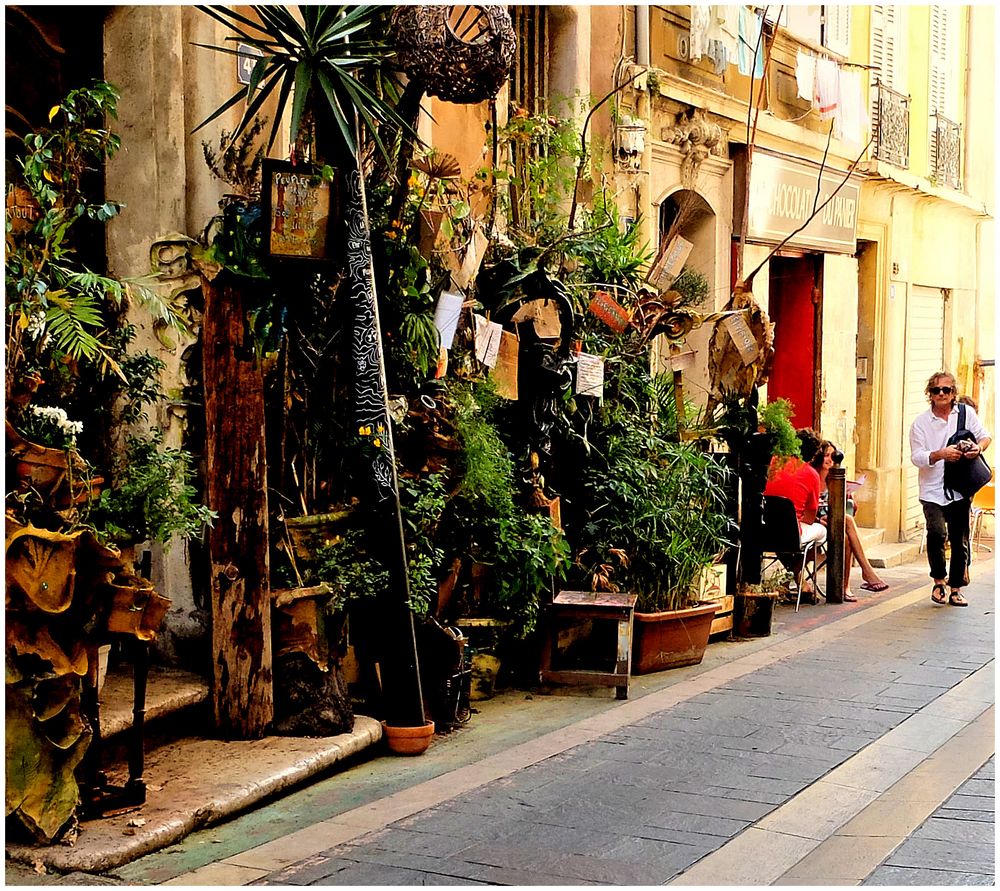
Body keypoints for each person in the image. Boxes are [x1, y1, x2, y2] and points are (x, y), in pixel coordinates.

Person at [909, 371, 991, 607]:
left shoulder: (966, 414)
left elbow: (985, 437)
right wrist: (939, 454)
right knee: (936, 533)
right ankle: (938, 580)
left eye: (946, 390)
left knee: (959, 538)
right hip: (932, 488)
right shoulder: (921, 423)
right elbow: (916, 456)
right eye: (936, 390)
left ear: (954, 392)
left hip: (960, 486)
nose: (942, 394)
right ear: (930, 395)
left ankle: (955, 588)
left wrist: (978, 448)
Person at [812, 440, 889, 602]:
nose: (830, 459)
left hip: (835, 522)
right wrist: (818, 519)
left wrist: (849, 499)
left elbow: (851, 510)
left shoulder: (836, 479)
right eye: (826, 455)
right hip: (815, 523)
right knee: (846, 523)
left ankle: (845, 587)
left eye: (833, 456)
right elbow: (805, 507)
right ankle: (866, 571)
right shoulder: (812, 477)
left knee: (846, 535)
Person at [764, 428, 828, 595]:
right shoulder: (811, 473)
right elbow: (809, 517)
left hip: (763, 530)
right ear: (813, 454)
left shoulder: (772, 463)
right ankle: (787, 577)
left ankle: (800, 581)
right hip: (791, 533)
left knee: (788, 534)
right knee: (821, 534)